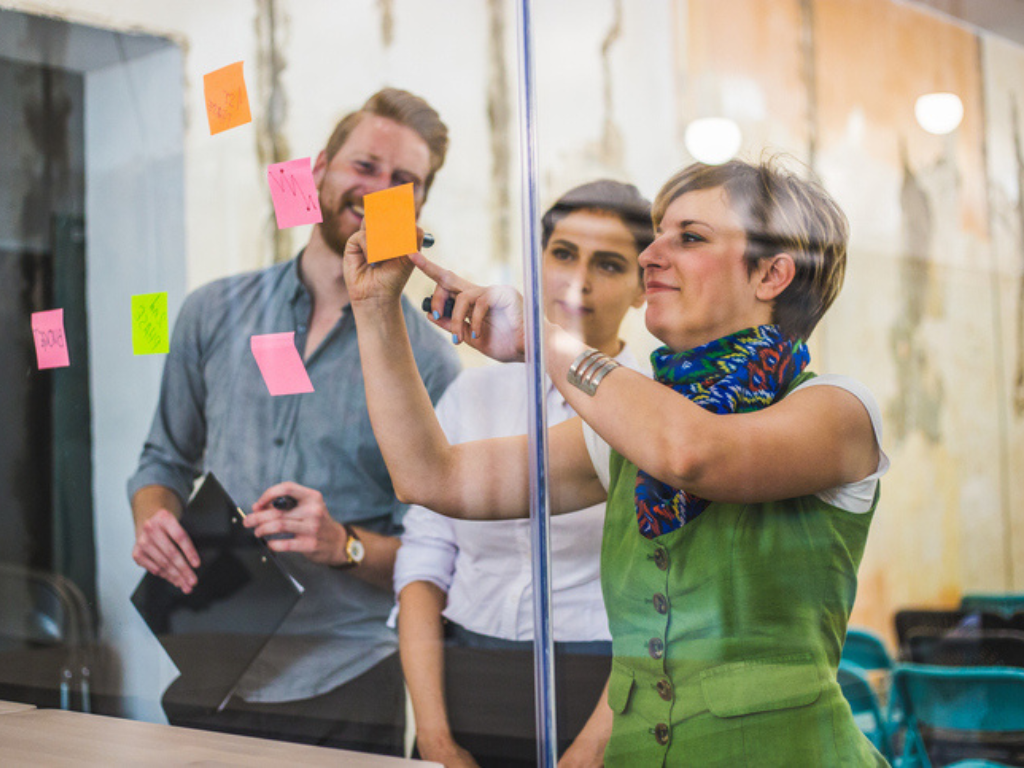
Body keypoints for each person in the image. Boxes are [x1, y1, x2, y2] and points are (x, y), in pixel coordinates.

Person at [342, 157, 891, 766]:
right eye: (656, 236)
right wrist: (376, 308)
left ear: (771, 274)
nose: (650, 256)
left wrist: (540, 337)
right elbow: (430, 476)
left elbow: (692, 453)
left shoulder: (839, 409)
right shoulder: (626, 427)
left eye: (688, 237)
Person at [127, 88, 461, 755]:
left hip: (345, 679)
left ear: (418, 207)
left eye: (403, 181)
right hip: (206, 656)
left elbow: (439, 554)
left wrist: (345, 544)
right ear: (318, 172)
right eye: (364, 165)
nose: (378, 189)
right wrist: (154, 518)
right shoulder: (211, 311)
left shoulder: (430, 361)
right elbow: (163, 460)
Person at [396, 180, 653, 767]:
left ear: (643, 287)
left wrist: (591, 750)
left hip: (606, 683)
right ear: (538, 262)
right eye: (563, 254)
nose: (578, 281)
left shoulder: (654, 408)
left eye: (608, 264)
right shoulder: (473, 392)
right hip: (461, 674)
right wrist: (434, 738)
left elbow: (665, 598)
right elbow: (424, 560)